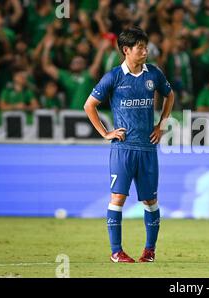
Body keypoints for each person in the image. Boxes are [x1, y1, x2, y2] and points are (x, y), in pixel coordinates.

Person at [84, 27, 174, 263]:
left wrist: (161, 125)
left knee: (150, 201)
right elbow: (89, 105)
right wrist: (105, 133)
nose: (145, 51)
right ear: (126, 50)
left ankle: (149, 251)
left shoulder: (153, 74)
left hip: (147, 148)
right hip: (122, 149)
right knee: (118, 198)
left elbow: (170, 95)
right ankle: (116, 251)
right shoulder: (113, 76)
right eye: (140, 47)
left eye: (145, 46)